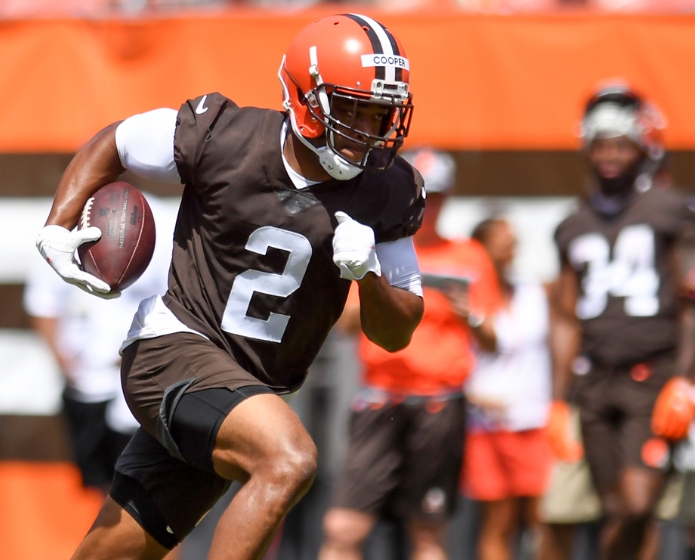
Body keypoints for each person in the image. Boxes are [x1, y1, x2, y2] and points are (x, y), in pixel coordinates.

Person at [34, 14, 426, 560]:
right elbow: (117, 141)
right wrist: (59, 223)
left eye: (381, 112)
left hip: (245, 390)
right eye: (355, 108)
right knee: (287, 459)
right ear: (307, 99)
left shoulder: (388, 190)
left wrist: (370, 277)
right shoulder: (225, 135)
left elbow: (396, 332)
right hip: (173, 350)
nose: (370, 129)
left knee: (116, 551)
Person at [318, 148, 501, 560]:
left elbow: (494, 339)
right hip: (380, 396)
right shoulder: (378, 244)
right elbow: (344, 323)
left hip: (440, 402)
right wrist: (367, 279)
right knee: (343, 527)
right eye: (423, 195)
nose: (429, 206)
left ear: (449, 197)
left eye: (437, 196)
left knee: (428, 531)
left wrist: (469, 316)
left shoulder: (469, 256)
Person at [548, 83, 695, 560]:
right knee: (613, 506)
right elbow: (567, 317)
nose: (610, 156)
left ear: (643, 149)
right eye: (601, 146)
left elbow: (692, 303)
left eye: (621, 145)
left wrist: (685, 379)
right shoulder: (573, 222)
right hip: (595, 379)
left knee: (639, 505)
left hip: (650, 375)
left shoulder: (673, 209)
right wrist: (558, 400)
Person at [24, 193, 174, 495]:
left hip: (138, 378)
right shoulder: (63, 225)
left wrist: (142, 356)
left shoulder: (162, 220)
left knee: (152, 490)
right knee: (104, 489)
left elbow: (175, 301)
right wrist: (68, 364)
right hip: (88, 382)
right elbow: (43, 303)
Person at [462, 216, 553, 560]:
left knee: (541, 517)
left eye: (512, 239)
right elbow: (452, 355)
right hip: (486, 421)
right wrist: (473, 394)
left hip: (534, 417)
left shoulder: (533, 290)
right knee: (499, 520)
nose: (509, 245)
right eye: (500, 238)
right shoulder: (465, 295)